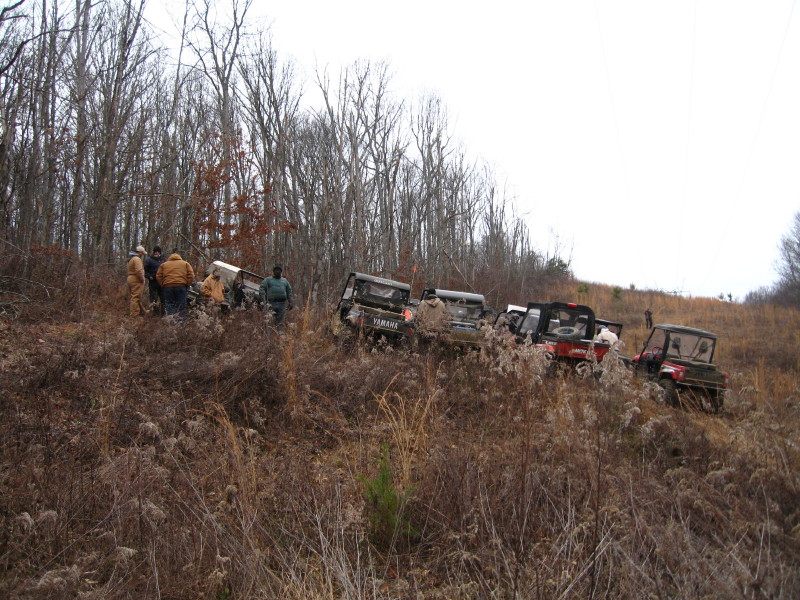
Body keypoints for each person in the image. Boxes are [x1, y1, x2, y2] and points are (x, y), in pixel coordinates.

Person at [156, 251, 195, 319]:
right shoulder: (185, 264)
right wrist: (187, 284)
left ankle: (171, 322)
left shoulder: (164, 265)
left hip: (168, 287)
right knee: (181, 305)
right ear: (180, 257)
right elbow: (191, 275)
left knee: (169, 305)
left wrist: (163, 284)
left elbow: (158, 276)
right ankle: (180, 323)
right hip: (181, 286)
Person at [259, 264, 292, 329]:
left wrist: (290, 302)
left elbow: (289, 291)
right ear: (273, 271)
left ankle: (280, 337)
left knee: (280, 323)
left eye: (279, 270)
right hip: (271, 304)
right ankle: (270, 338)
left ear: (281, 271)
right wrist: (263, 301)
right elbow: (262, 289)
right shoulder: (268, 280)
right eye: (276, 270)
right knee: (269, 322)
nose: (277, 271)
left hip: (281, 304)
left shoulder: (285, 281)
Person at [144, 245, 166, 315]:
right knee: (153, 298)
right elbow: (145, 270)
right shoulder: (148, 260)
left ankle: (163, 312)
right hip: (153, 281)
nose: (157, 253)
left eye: (158, 252)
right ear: (154, 252)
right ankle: (155, 313)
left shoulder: (164, 260)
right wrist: (148, 276)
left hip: (162, 282)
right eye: (156, 252)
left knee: (163, 298)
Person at [126, 245, 147, 317]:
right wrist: (142, 279)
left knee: (136, 296)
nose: (142, 255)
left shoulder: (131, 259)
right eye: (142, 253)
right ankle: (134, 315)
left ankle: (141, 311)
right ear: (140, 252)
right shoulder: (137, 259)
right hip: (136, 279)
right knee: (135, 297)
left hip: (130, 278)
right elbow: (138, 270)